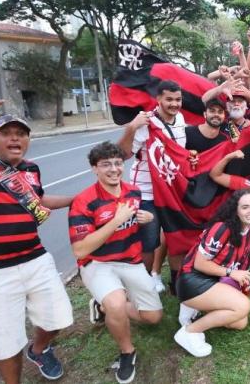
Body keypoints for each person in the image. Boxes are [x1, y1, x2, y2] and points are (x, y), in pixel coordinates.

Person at [0, 102, 74, 384]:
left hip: (35, 259)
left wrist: (79, 199)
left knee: (58, 320)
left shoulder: (31, 169)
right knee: (6, 342)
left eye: (21, 133)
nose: (15, 138)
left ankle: (39, 348)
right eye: (6, 133)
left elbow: (39, 201)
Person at [68, 142, 163, 383]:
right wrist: (115, 221)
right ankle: (127, 352)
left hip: (130, 260)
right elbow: (80, 250)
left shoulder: (134, 192)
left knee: (153, 318)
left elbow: (136, 223)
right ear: (94, 169)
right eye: (105, 164)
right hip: (97, 263)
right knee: (117, 303)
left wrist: (147, 218)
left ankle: (102, 307)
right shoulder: (83, 201)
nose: (113, 169)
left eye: (118, 163)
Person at [117, 80, 189, 292]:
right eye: (169, 99)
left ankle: (176, 283)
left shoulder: (181, 118)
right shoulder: (146, 123)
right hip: (146, 194)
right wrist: (131, 127)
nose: (174, 104)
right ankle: (143, 286)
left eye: (178, 99)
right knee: (148, 242)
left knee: (176, 237)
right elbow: (123, 155)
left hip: (172, 192)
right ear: (158, 99)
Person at [174, 190, 250, 357]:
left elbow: (242, 270)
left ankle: (195, 307)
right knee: (242, 306)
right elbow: (199, 263)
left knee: (240, 321)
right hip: (191, 279)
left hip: (215, 280)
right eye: (245, 207)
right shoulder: (221, 228)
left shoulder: (249, 233)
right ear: (235, 210)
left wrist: (242, 285)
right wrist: (231, 272)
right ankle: (189, 332)